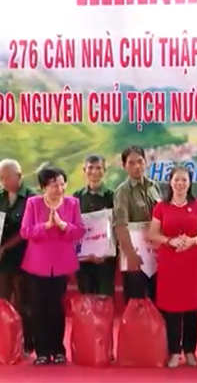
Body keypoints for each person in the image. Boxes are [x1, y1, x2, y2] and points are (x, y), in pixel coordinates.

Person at [147, 165, 197, 368]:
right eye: (177, 180)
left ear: (190, 183)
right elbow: (152, 233)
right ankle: (174, 351)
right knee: (171, 307)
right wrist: (169, 241)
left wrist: (193, 241)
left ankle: (190, 350)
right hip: (170, 262)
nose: (180, 184)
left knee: (192, 308)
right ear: (170, 182)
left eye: (184, 180)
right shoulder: (161, 207)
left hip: (192, 262)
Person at [20, 166, 85, 365]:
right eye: (54, 185)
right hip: (37, 264)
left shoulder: (72, 203)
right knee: (38, 307)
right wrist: (46, 226)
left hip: (61, 263)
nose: (59, 188)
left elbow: (79, 231)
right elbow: (25, 231)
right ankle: (42, 351)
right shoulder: (33, 203)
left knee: (57, 308)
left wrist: (63, 225)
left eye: (62, 184)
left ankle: (58, 350)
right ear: (43, 187)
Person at [113, 146, 162, 302]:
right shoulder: (123, 191)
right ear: (124, 166)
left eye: (140, 161)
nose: (137, 166)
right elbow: (120, 225)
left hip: (155, 256)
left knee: (158, 300)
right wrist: (130, 254)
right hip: (135, 257)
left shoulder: (154, 186)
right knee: (136, 302)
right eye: (131, 163)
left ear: (145, 162)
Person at [0, 159, 36, 356]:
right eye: (1, 178)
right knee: (3, 301)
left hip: (24, 258)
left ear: (19, 176)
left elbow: (26, 231)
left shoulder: (32, 199)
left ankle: (27, 344)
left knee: (24, 303)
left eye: (7, 177)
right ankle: (6, 342)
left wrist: (5, 247)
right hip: (3, 261)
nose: (3, 182)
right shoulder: (1, 198)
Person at [73, 155, 116, 297]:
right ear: (84, 170)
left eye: (98, 168)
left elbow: (117, 226)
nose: (94, 172)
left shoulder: (113, 197)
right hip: (83, 260)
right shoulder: (76, 197)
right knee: (86, 299)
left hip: (105, 260)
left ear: (105, 171)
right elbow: (72, 227)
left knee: (105, 298)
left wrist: (105, 252)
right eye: (90, 168)